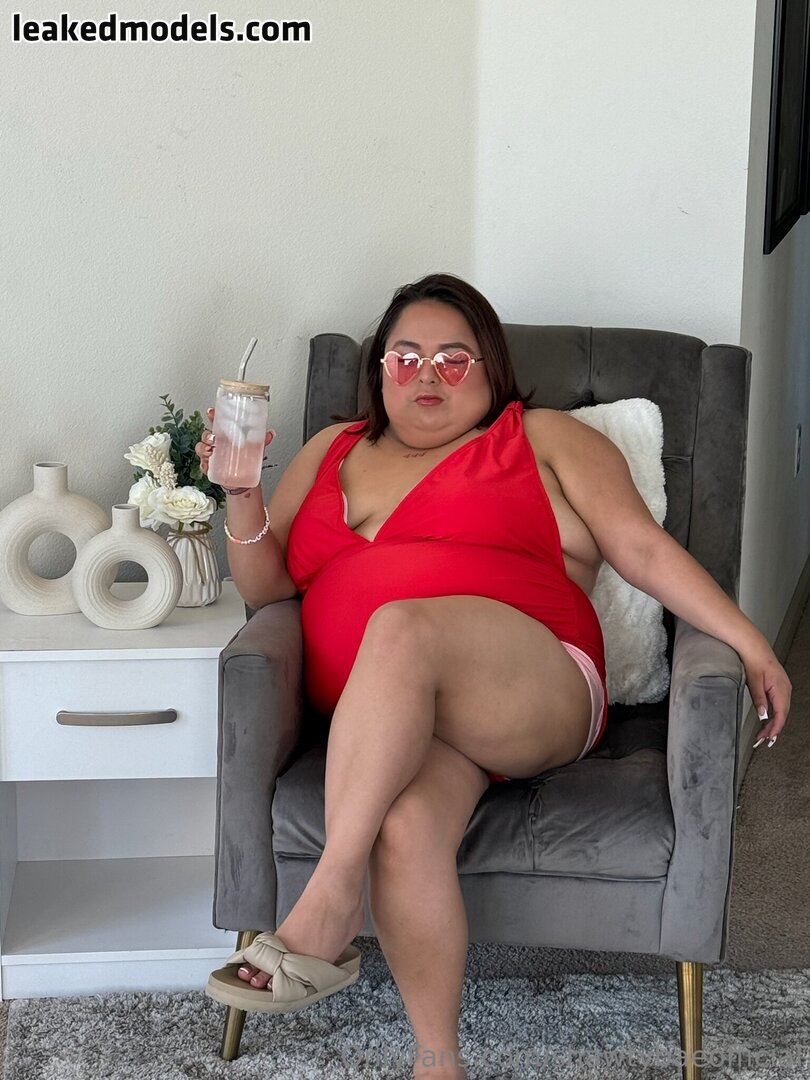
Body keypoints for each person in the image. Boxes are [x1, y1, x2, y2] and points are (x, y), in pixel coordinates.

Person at [197, 273, 791, 1080]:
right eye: (405, 357)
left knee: (401, 624)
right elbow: (269, 590)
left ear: (491, 370)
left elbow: (643, 551)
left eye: (453, 358)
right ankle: (437, 1061)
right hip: (401, 721)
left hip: (534, 685)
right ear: (378, 370)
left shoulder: (540, 437)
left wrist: (752, 643)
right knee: (406, 826)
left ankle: (328, 901)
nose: (427, 375)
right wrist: (240, 493)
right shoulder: (331, 449)